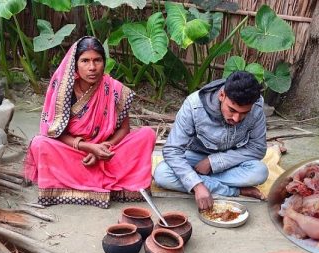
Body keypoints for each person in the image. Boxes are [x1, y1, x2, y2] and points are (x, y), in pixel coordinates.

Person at [23, 36, 156, 208]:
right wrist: (88, 148)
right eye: (85, 61)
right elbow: (53, 132)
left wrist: (103, 148)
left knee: (147, 134)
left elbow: (124, 129)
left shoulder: (113, 89)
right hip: (74, 152)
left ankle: (87, 182)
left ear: (104, 62)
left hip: (108, 152)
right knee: (40, 144)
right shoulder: (65, 90)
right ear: (75, 64)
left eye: (97, 60)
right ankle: (101, 182)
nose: (92, 67)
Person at [153, 71, 268, 210]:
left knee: (260, 171)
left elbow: (257, 148)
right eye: (232, 110)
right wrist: (196, 185)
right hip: (194, 159)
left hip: (231, 162)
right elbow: (172, 150)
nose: (236, 119)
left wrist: (213, 162)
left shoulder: (256, 105)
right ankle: (236, 190)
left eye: (244, 113)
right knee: (162, 173)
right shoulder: (194, 105)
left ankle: (203, 180)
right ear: (221, 95)